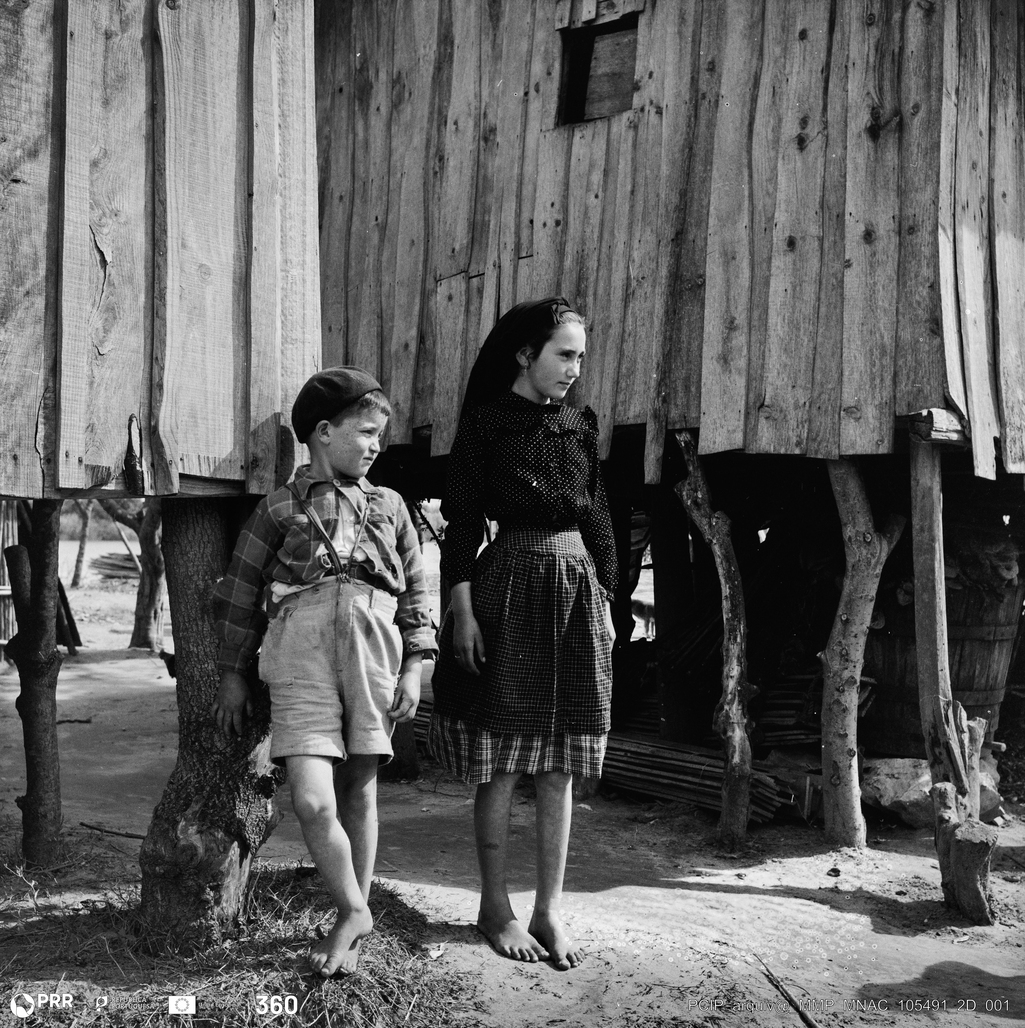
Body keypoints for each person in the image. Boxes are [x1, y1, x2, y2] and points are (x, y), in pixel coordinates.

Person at [211, 366, 436, 977]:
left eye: (380, 436)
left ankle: (348, 925)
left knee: (359, 788)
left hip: (372, 650)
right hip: (299, 652)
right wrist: (232, 673)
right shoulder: (278, 507)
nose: (376, 446)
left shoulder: (391, 505)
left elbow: (417, 592)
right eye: (365, 432)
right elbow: (238, 593)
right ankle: (357, 908)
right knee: (312, 800)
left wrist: (414, 666)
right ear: (323, 432)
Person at [428, 298, 618, 971]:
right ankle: (495, 908)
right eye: (564, 355)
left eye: (580, 358)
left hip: (575, 592)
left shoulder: (579, 423)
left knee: (560, 764)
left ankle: (548, 911)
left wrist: (608, 599)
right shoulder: (486, 424)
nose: (574, 369)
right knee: (504, 761)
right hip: (507, 586)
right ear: (524, 354)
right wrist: (462, 612)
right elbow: (460, 523)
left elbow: (598, 515)